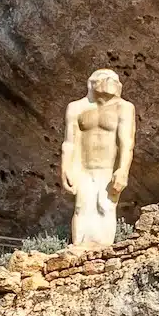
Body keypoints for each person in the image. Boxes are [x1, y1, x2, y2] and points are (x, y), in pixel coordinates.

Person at [60, 68, 136, 247]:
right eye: (105, 78)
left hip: (107, 169)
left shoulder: (124, 108)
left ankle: (101, 250)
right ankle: (80, 249)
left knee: (105, 207)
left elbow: (127, 142)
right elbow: (69, 142)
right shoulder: (76, 107)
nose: (110, 82)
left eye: (113, 80)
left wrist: (123, 170)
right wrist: (65, 168)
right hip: (83, 168)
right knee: (81, 208)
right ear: (92, 83)